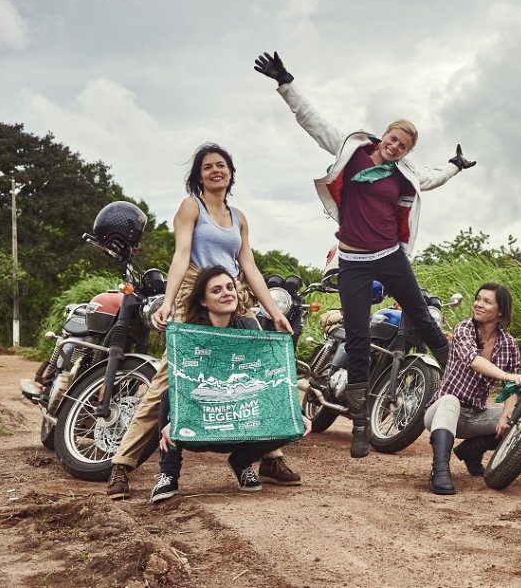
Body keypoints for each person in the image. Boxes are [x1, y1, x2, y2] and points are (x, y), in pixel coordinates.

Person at [254, 50, 475, 458]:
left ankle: (464, 382)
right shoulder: (351, 149)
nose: (395, 147)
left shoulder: (404, 172)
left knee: (423, 319)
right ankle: (358, 424)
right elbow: (312, 121)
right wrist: (286, 82)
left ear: (407, 151)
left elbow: (433, 178)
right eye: (393, 139)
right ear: (383, 136)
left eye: (403, 146)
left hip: (390, 257)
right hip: (353, 262)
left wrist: (455, 166)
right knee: (356, 337)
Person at [106, 144, 300, 499]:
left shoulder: (238, 216)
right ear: (199, 175)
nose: (215, 171)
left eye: (221, 165)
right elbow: (181, 255)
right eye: (208, 167)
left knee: (257, 371)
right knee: (171, 377)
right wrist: (168, 303)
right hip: (196, 294)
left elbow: (249, 266)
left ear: (230, 173)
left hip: (230, 292)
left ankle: (270, 456)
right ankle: (122, 464)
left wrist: (274, 311)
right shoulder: (191, 207)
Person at [152, 266, 300, 502]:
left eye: (230, 287)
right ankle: (169, 475)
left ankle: (241, 462)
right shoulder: (190, 335)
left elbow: (266, 378)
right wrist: (176, 419)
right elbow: (184, 384)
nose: (227, 293)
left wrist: (297, 411)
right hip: (203, 422)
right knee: (170, 396)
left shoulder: (249, 328)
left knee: (292, 420)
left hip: (240, 418)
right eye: (217, 290)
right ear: (203, 300)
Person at [422, 283, 521, 495]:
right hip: (442, 412)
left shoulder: (509, 343)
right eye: (478, 299)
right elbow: (474, 361)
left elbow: (511, 387)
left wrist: (507, 414)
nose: (478, 304)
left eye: (487, 301)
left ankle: (472, 450)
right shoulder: (464, 329)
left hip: (474, 416)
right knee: (450, 400)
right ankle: (440, 471)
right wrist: (507, 375)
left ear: (500, 311)